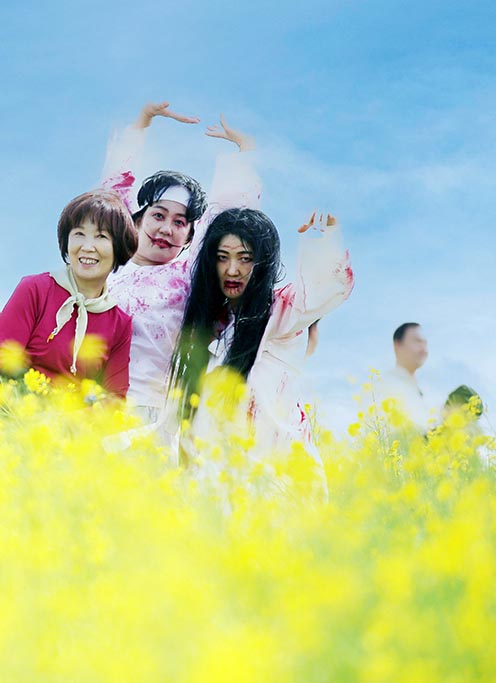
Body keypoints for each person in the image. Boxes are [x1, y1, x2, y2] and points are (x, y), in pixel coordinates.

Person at [101, 102, 261, 442]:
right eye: (158, 215)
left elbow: (224, 217)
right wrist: (143, 120)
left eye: (180, 222)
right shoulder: (106, 263)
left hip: (149, 415)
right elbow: (113, 191)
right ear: (137, 219)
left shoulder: (185, 279)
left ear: (190, 236)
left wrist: (244, 152)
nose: (166, 229)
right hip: (88, 406)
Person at [169, 208, 354, 467]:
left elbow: (327, 289)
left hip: (276, 471)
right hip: (218, 474)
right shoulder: (210, 327)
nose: (232, 270)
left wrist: (323, 239)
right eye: (222, 258)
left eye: (245, 259)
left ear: (263, 262)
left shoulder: (280, 312)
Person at [0, 190, 136, 397]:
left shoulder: (120, 324)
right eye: (79, 234)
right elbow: (3, 362)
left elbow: (113, 398)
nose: (87, 247)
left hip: (76, 418)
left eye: (101, 236)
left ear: (119, 248)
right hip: (15, 410)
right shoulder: (35, 289)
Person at [376, 322, 430, 429]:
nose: (423, 349)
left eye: (425, 343)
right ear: (397, 345)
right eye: (417, 341)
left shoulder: (419, 390)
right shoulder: (384, 385)